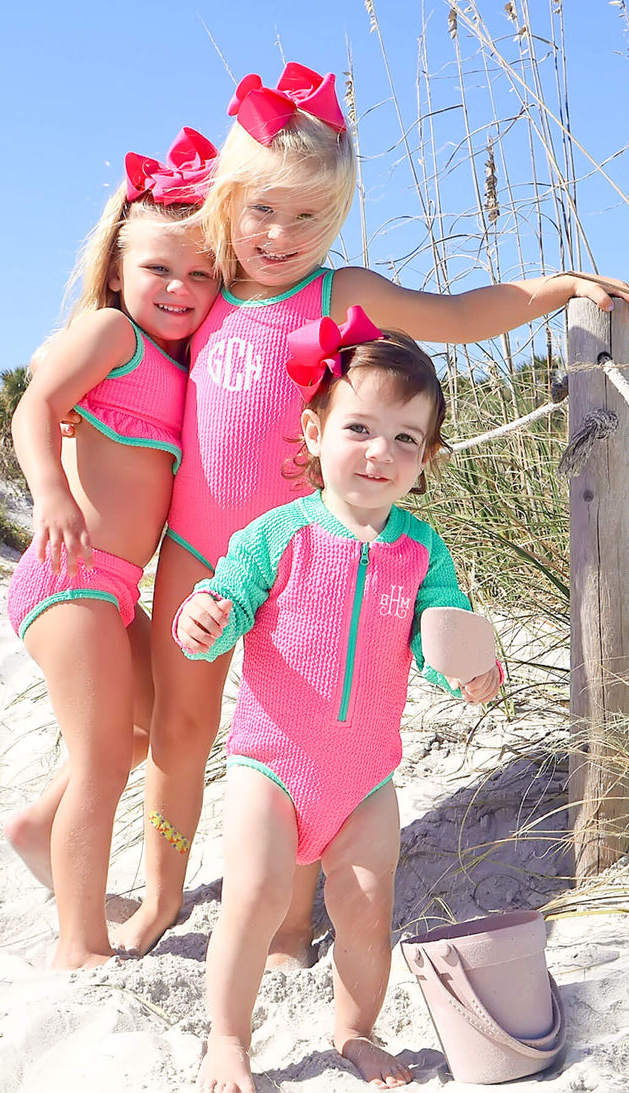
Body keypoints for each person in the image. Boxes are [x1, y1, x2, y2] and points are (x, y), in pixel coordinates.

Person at [113, 63, 629, 961]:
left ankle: (292, 916)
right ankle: (161, 895)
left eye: (308, 218)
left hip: (302, 563)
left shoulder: (338, 293)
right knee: (181, 728)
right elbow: (124, 353)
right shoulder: (202, 288)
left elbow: (458, 314)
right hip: (194, 550)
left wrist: (559, 286)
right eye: (262, 210)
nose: (281, 235)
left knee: (302, 738)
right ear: (227, 200)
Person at [175, 317, 502, 1090]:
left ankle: (356, 1032)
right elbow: (226, 602)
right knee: (254, 897)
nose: (380, 452)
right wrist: (203, 618)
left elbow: (437, 637)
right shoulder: (278, 535)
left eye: (405, 439)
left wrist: (467, 674)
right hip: (272, 766)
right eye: (359, 428)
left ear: (425, 461)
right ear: (315, 432)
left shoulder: (421, 550)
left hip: (363, 777)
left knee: (365, 908)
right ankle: (228, 1039)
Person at [5, 128, 220, 968]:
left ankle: (38, 828)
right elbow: (35, 406)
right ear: (120, 269)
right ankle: (81, 944)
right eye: (159, 268)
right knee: (101, 757)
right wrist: (51, 493)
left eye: (201, 273)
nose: (179, 287)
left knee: (151, 729)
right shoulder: (110, 334)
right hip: (69, 573)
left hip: (115, 588)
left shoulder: (186, 367)